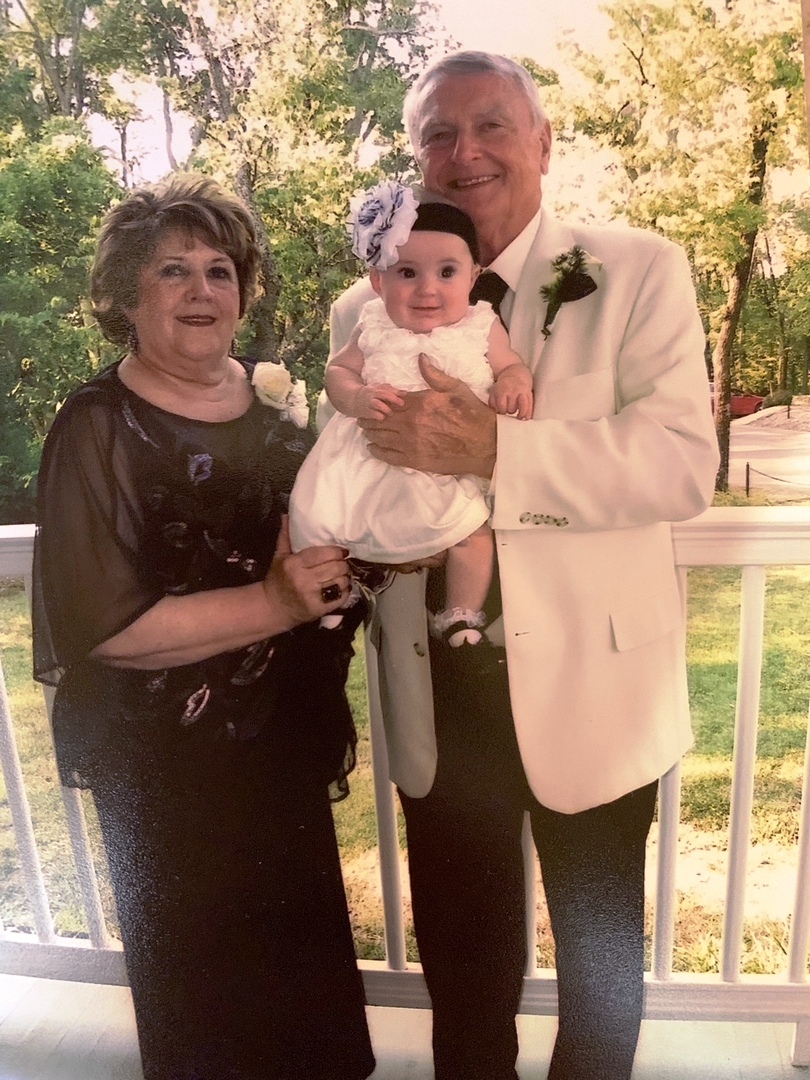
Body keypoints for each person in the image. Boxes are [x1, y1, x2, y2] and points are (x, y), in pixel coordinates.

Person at [327, 51, 720, 1080]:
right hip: (438, 687)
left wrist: (498, 453)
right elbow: (357, 478)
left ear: (543, 143)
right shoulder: (364, 309)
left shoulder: (637, 269)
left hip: (598, 685)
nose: (465, 151)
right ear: (416, 159)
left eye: (492, 125)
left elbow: (682, 464)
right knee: (464, 968)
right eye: (438, 134)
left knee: (601, 965)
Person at [32, 174, 375, 1080]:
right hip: (164, 774)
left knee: (305, 1004)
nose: (201, 290)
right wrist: (277, 604)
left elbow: (334, 542)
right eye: (172, 270)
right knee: (207, 1014)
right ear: (126, 296)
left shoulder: (277, 413)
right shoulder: (96, 425)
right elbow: (102, 625)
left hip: (279, 751)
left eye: (220, 270)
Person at [290, 182, 532, 646]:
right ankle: (336, 597)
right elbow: (338, 370)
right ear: (378, 281)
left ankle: (461, 614)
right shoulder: (372, 322)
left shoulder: (482, 325)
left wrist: (513, 382)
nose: (427, 289)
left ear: (473, 276)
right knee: (326, 515)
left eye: (447, 272)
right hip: (370, 454)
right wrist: (356, 397)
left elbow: (510, 365)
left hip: (447, 466)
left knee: (471, 533)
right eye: (407, 272)